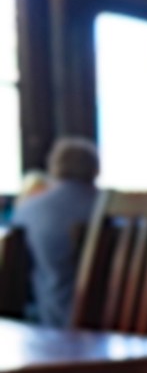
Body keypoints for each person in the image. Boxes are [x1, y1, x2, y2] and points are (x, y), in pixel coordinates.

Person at [12, 137, 100, 327]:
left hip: (54, 320)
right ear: (96, 168)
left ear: (55, 167)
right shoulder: (117, 207)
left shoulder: (29, 209)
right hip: (121, 319)